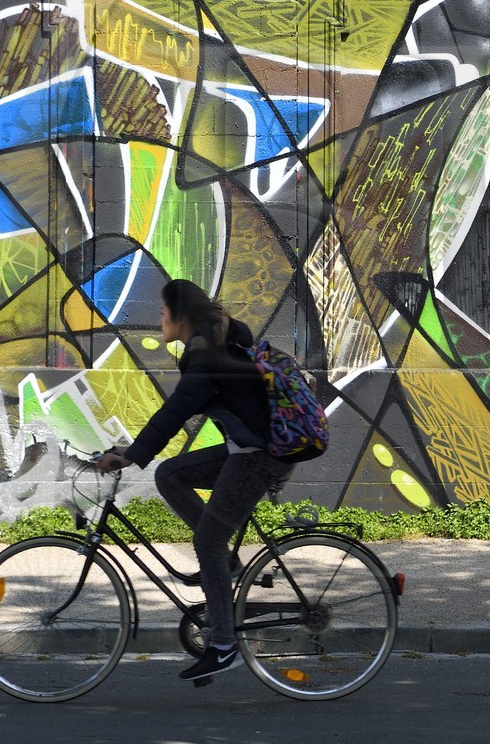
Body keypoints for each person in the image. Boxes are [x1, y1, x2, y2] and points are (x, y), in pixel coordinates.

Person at [94, 279, 291, 680]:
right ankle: (227, 565)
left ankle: (223, 645)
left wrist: (131, 456)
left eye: (163, 313)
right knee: (171, 474)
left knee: (207, 540)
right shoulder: (213, 344)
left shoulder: (206, 355)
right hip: (250, 447)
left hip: (260, 455)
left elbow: (175, 411)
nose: (159, 319)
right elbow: (179, 412)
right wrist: (135, 451)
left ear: (180, 317)